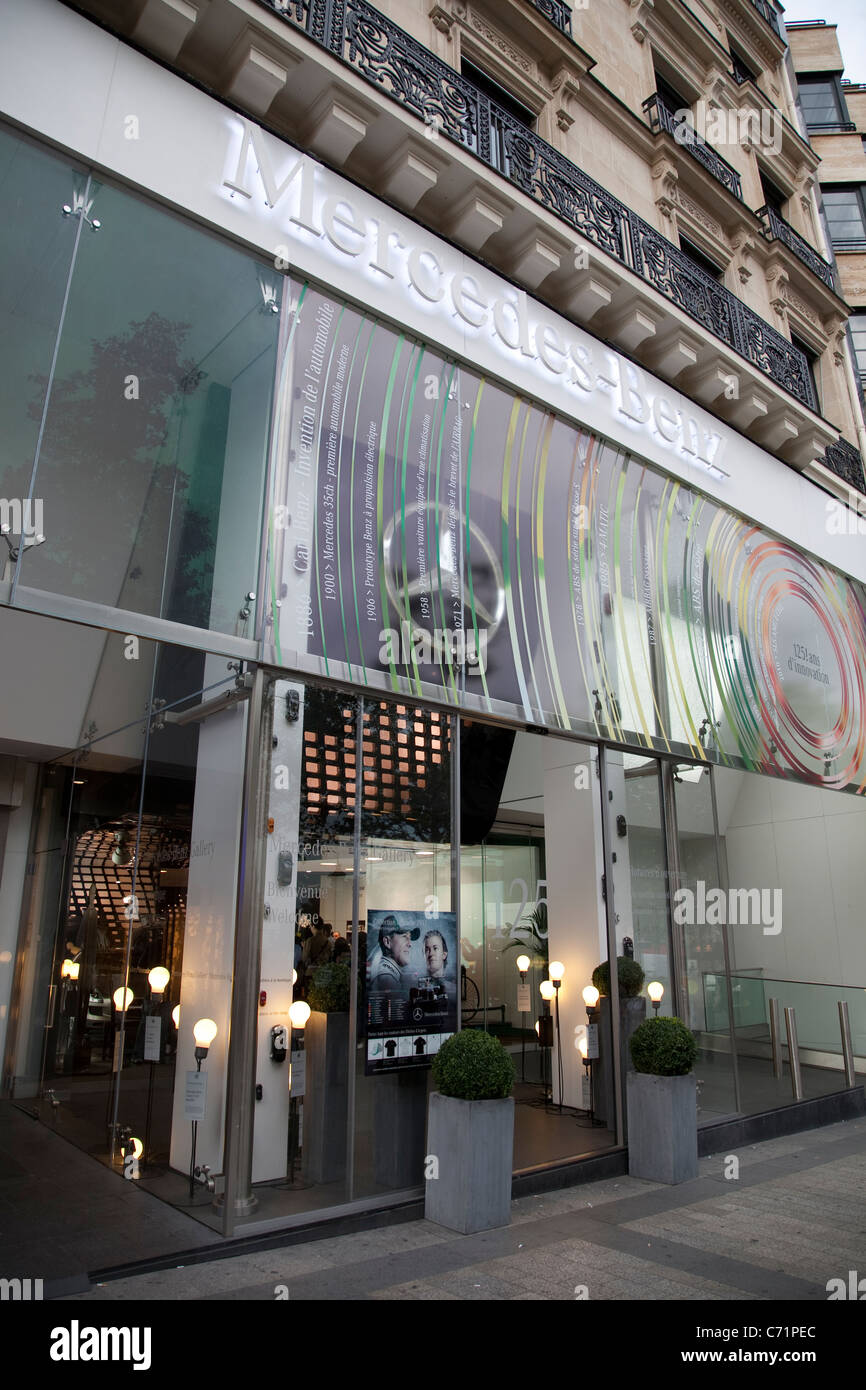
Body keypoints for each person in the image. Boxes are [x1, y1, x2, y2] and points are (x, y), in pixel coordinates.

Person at [371, 915, 419, 993]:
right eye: (404, 936)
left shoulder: (391, 973)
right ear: (387, 942)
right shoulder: (387, 978)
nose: (410, 944)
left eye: (410, 938)